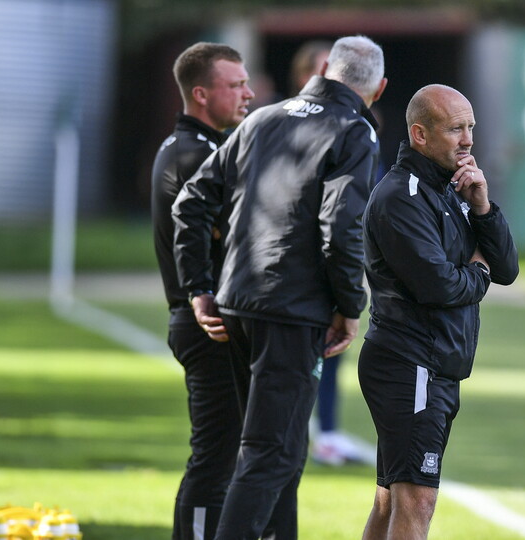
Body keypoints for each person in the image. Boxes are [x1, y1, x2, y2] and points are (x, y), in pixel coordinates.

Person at [172, 35, 387, 540]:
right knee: (270, 453)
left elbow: (191, 202)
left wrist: (199, 288)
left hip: (236, 302)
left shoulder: (262, 118)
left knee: (284, 451)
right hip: (291, 312)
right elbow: (342, 225)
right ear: (379, 88)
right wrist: (349, 306)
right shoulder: (354, 129)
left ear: (326, 69)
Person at [357, 84, 519, 540]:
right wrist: (479, 272)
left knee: (391, 499)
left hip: (432, 366)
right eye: (455, 129)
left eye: (471, 127)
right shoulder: (401, 196)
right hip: (411, 365)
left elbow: (507, 268)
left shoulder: (454, 188)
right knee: (416, 501)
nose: (468, 140)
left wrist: (483, 207)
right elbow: (441, 286)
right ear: (420, 134)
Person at [150, 42, 255, 540]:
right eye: (236, 85)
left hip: (202, 319)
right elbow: (230, 236)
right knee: (215, 460)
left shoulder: (188, 145)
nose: (248, 94)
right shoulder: (197, 155)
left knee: (223, 458)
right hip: (207, 322)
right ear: (201, 94)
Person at [287, 39, 367, 467]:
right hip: (296, 274)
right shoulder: (280, 123)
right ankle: (295, 436)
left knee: (332, 355)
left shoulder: (354, 126)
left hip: (323, 272)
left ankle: (328, 433)